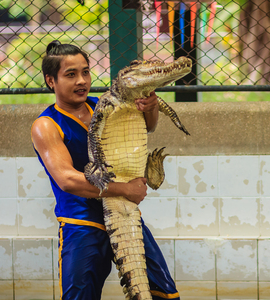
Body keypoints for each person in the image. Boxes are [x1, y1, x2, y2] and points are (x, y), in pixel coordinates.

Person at [31, 40, 179, 300]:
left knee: (163, 293)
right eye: (70, 74)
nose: (81, 81)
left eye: (85, 72)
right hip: (82, 223)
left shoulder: (102, 105)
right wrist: (126, 189)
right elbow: (67, 180)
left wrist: (151, 105)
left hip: (124, 214)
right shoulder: (46, 125)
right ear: (51, 80)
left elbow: (148, 126)